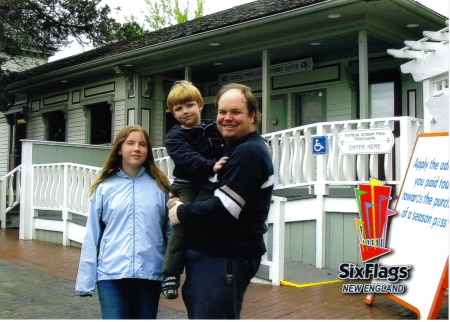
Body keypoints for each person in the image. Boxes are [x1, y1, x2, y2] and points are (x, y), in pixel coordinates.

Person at [168, 83, 274, 319]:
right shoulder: (238, 146)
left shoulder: (248, 152)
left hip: (223, 258)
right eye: (222, 112)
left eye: (235, 112)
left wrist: (183, 211)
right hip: (215, 258)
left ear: (252, 116)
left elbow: (225, 208)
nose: (227, 118)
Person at [75, 125, 171, 319]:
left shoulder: (161, 187)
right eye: (130, 143)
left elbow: (170, 234)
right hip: (111, 275)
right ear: (119, 148)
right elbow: (92, 235)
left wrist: (171, 274)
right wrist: (86, 281)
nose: (137, 148)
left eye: (142, 144)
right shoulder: (104, 188)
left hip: (149, 274)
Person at [161, 80, 228, 299]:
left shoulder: (214, 127)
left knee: (218, 214)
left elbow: (235, 139)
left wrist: (258, 141)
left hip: (210, 183)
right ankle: (171, 273)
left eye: (188, 105)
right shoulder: (174, 136)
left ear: (199, 104)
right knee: (180, 222)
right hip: (187, 184)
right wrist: (210, 165)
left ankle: (227, 264)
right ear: (173, 114)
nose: (184, 111)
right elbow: (187, 158)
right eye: (178, 109)